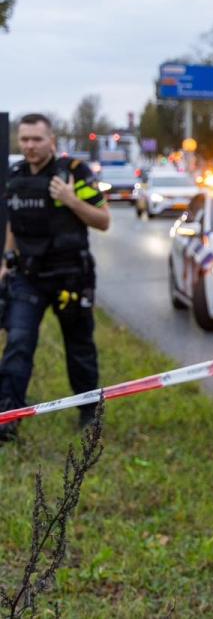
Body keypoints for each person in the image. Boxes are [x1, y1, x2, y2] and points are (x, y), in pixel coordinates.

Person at [0, 114, 110, 442]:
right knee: (18, 343)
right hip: (28, 278)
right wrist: (6, 261)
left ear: (52, 141)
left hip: (70, 278)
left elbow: (103, 221)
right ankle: (8, 417)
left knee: (79, 348)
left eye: (37, 139)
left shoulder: (75, 173)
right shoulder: (16, 175)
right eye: (25, 139)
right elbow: (14, 222)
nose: (30, 146)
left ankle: (89, 413)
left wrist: (71, 200)